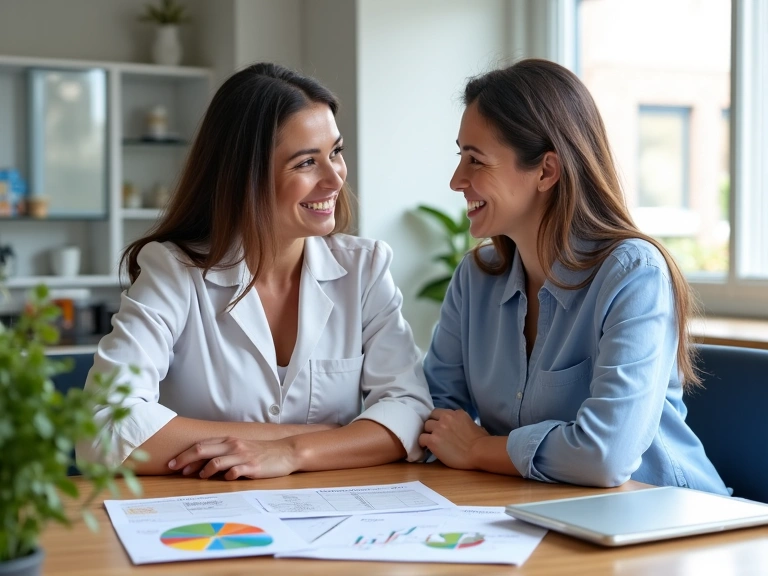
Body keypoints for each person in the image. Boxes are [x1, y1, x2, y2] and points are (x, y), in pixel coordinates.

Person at [77, 63, 433, 480]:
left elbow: (410, 412)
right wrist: (316, 438)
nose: (334, 178)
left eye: (335, 152)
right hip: (208, 510)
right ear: (246, 176)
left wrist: (294, 451)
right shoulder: (174, 272)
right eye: (306, 162)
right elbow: (104, 428)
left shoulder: (364, 269)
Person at [419, 59, 728, 495]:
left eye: (476, 160)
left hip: (667, 514)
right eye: (460, 157)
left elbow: (606, 455)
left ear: (546, 171)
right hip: (546, 507)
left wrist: (478, 449)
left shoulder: (634, 276)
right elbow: (433, 416)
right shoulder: (475, 279)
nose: (457, 180)